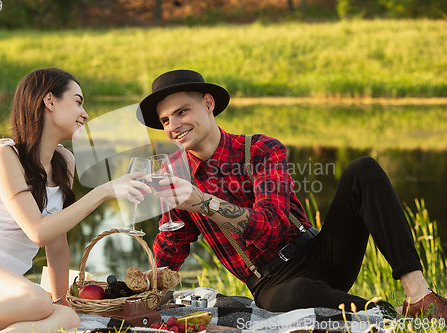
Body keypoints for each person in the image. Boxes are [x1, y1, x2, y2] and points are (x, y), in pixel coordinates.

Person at [136, 69, 447, 318]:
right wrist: (142, 291)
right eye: (165, 120)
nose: (173, 126)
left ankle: (419, 295)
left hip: (319, 251)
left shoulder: (260, 149)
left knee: (362, 169)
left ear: (208, 103)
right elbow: (172, 245)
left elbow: (271, 226)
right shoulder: (174, 174)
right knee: (295, 295)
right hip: (272, 283)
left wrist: (200, 201)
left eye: (181, 112)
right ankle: (386, 315)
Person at [0, 68, 151, 333]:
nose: (85, 114)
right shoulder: (3, 156)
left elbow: (56, 243)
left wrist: (62, 300)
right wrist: (102, 192)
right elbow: (38, 232)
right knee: (35, 299)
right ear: (50, 101)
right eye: (78, 102)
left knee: (67, 319)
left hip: (5, 283)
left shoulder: (64, 162)